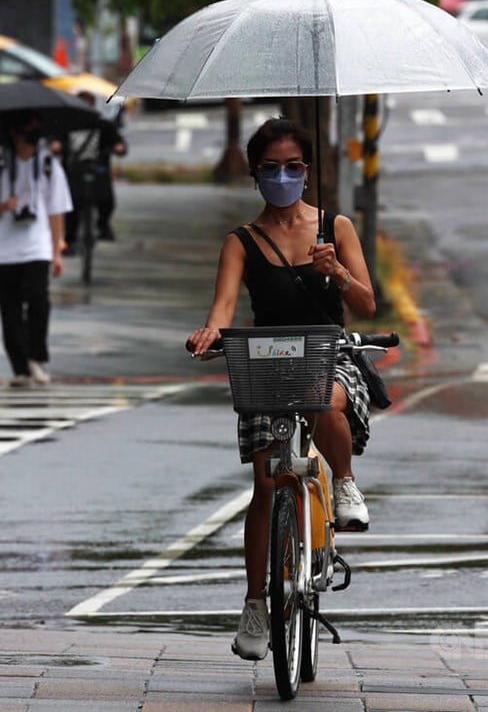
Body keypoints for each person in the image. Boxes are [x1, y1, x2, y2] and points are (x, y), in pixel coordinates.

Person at [185, 118, 377, 662]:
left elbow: (367, 305)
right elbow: (223, 310)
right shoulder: (240, 241)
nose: (283, 176)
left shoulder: (335, 227)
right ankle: (254, 604)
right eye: (271, 168)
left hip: (328, 354)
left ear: (308, 171)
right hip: (265, 361)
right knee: (267, 484)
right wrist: (209, 333)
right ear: (255, 174)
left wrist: (337, 270)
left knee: (327, 400)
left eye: (293, 166)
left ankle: (344, 484)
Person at [0, 110, 72, 386]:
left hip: (37, 247)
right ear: (13, 132)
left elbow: (57, 211)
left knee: (38, 303)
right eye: (25, 129)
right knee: (9, 311)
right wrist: (5, 205)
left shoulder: (48, 165)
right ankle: (20, 368)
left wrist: (56, 251)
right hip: (2, 250)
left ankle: (36, 357)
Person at [59, 90, 127, 251]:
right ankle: (69, 240)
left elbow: (118, 143)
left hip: (98, 170)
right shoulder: (66, 126)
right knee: (71, 205)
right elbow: (55, 142)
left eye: (89, 102)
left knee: (106, 200)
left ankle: (103, 226)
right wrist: (56, 146)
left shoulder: (103, 125)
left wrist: (119, 147)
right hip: (73, 171)